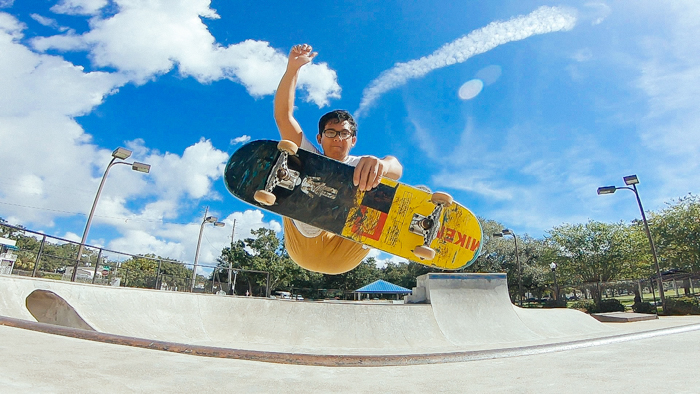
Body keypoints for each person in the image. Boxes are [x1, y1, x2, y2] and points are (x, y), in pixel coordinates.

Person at [274, 44, 403, 275]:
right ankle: (312, 213)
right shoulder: (310, 154)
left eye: (344, 134)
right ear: (320, 138)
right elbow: (284, 116)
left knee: (381, 186)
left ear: (353, 140)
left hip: (346, 253)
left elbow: (396, 168)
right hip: (304, 245)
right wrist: (293, 69)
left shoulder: (361, 163)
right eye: (330, 133)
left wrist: (382, 165)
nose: (337, 139)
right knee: (298, 162)